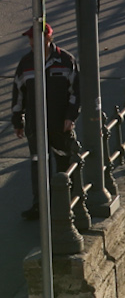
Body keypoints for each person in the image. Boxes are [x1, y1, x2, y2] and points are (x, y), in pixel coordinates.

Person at [11, 24, 81, 222]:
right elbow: (19, 93)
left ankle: (68, 203)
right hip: (35, 125)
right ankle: (40, 206)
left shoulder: (66, 61)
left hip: (60, 124)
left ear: (48, 39)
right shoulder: (26, 63)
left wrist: (71, 116)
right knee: (38, 165)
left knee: (64, 162)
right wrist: (18, 120)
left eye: (37, 39)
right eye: (31, 40)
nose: (32, 43)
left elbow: (76, 91)